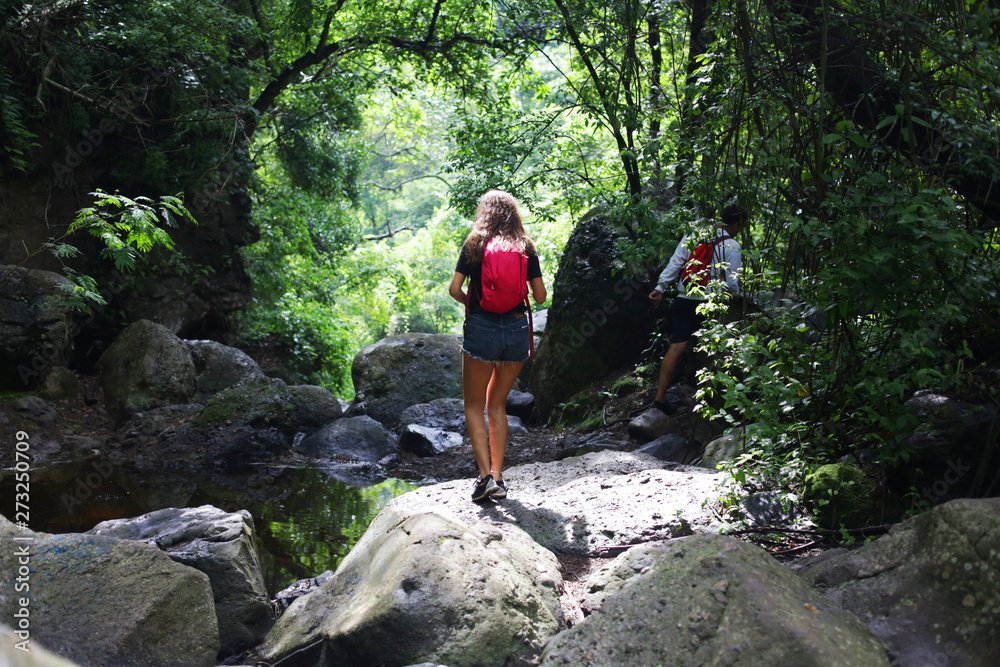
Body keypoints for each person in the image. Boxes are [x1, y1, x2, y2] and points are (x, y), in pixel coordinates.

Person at [449, 190, 546, 502]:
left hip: (481, 326)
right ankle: (500, 478)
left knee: (474, 405)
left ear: (484, 213)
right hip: (517, 330)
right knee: (497, 405)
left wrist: (474, 304)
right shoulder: (525, 246)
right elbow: (541, 296)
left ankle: (484, 478)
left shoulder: (475, 243)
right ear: (513, 214)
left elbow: (454, 289)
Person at [648, 203, 748, 414]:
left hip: (684, 299)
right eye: (741, 226)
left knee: (675, 348)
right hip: (710, 305)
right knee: (715, 351)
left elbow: (676, 262)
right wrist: (739, 296)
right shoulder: (732, 246)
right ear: (736, 223)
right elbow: (731, 284)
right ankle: (714, 407)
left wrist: (660, 288)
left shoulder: (695, 234)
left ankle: (659, 400)